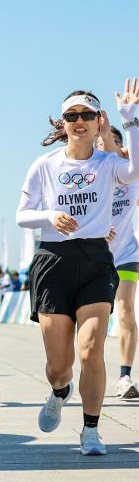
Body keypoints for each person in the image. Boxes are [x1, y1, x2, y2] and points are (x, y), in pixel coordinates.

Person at [17, 83, 139, 456]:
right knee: (59, 366)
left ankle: (91, 430)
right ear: (63, 123)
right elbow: (22, 215)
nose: (79, 121)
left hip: (96, 260)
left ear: (98, 121)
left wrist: (129, 120)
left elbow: (135, 170)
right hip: (53, 260)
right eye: (72, 116)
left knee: (90, 351)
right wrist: (50, 216)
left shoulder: (108, 163)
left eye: (87, 115)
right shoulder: (45, 165)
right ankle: (59, 391)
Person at [98, 125, 139, 400]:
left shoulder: (131, 175)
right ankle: (92, 371)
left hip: (126, 255)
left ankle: (125, 377)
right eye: (103, 141)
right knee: (97, 319)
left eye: (114, 141)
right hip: (96, 256)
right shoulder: (91, 175)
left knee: (126, 311)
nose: (108, 145)